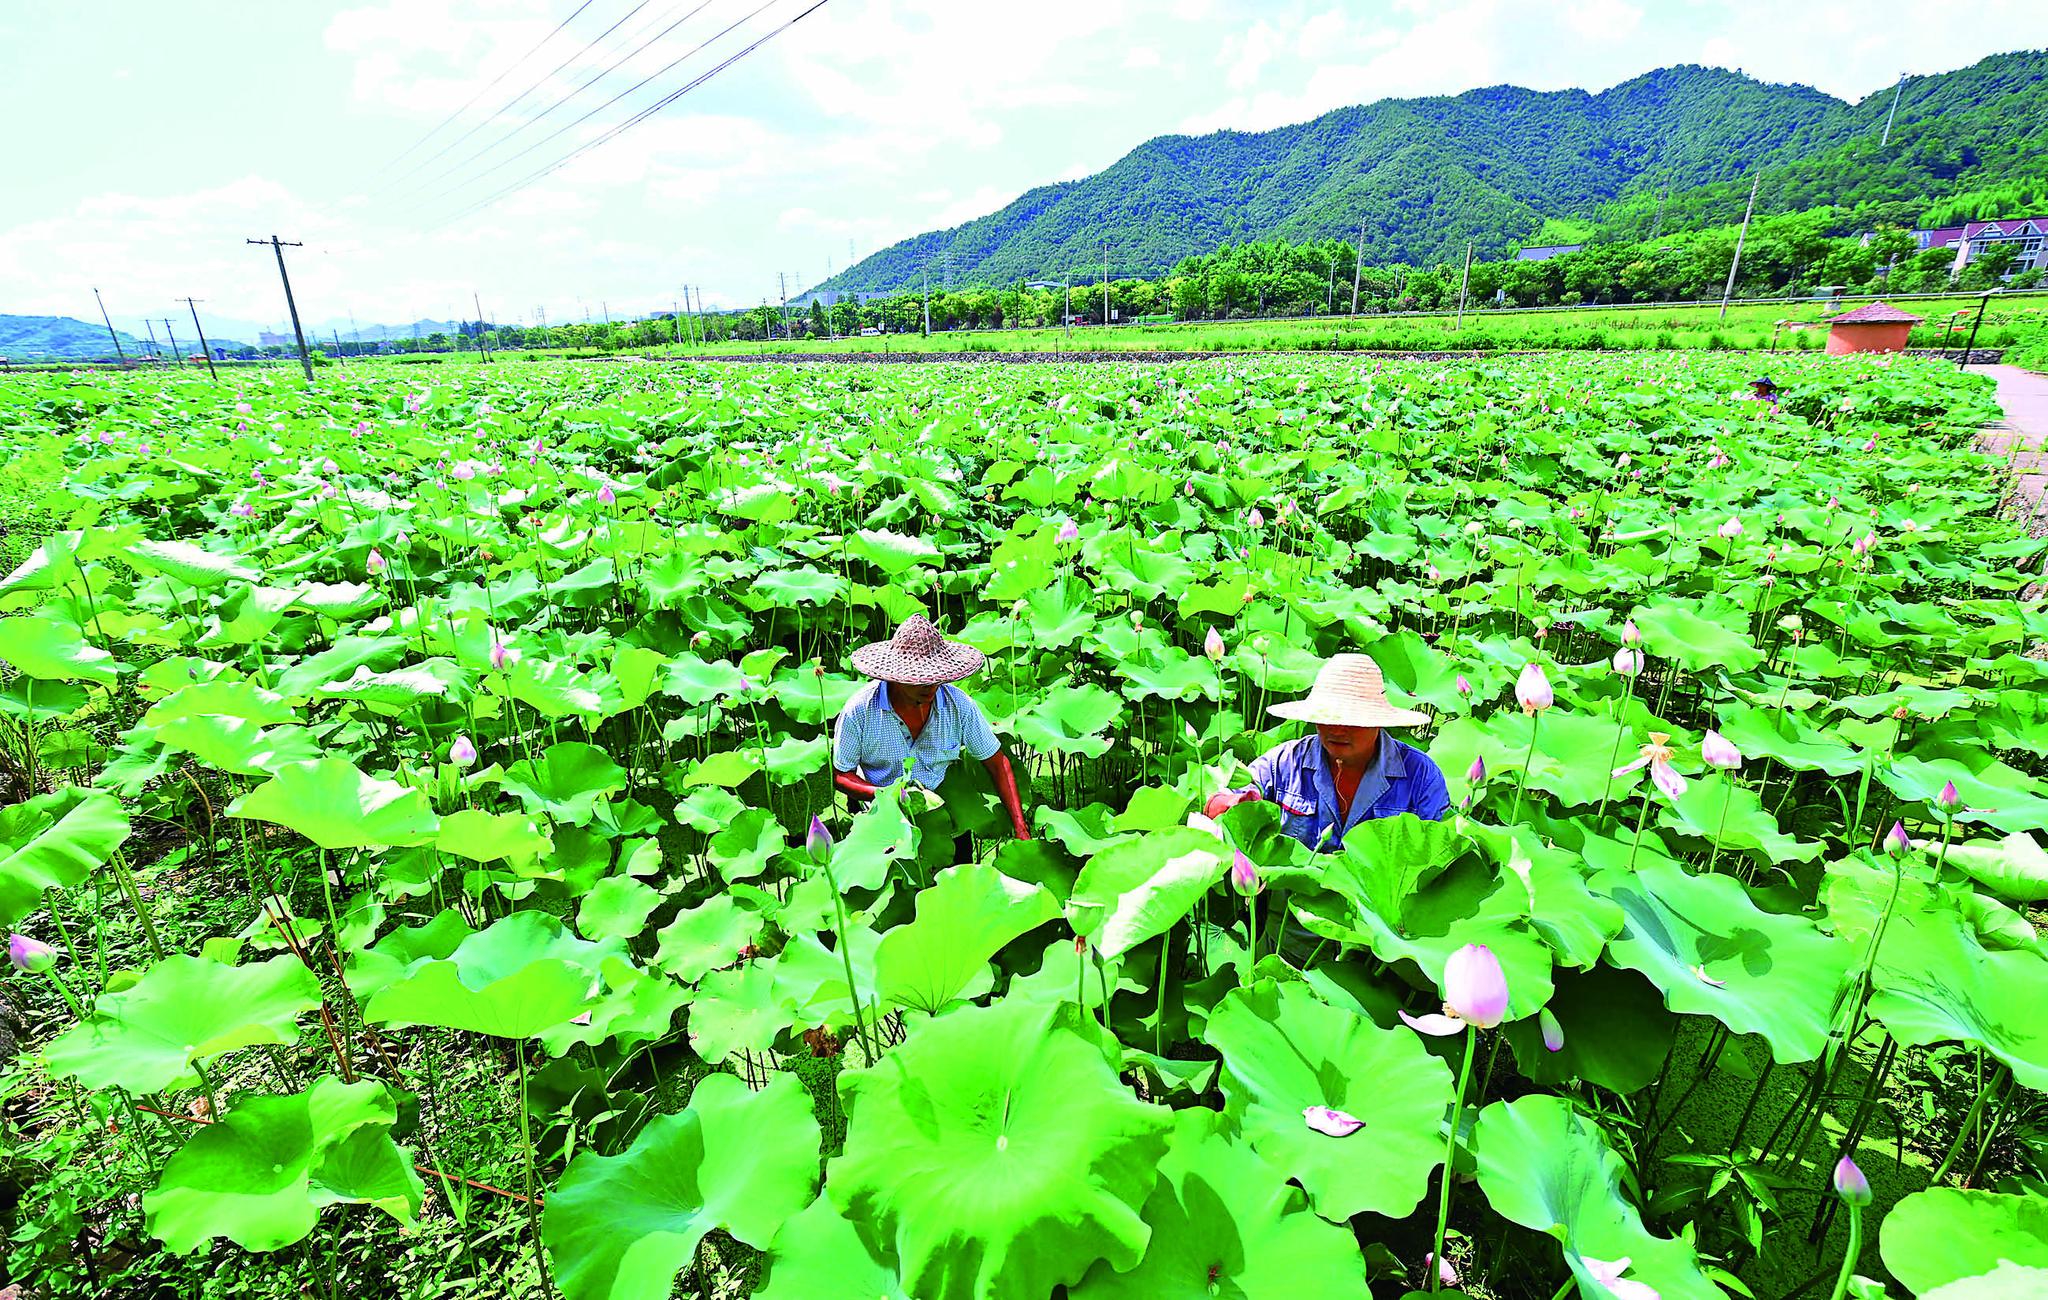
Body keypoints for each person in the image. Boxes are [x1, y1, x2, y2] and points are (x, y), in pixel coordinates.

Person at [1203, 653, 1450, 852]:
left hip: (1379, 910)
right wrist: (1233, 803)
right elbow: (1216, 803)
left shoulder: (1421, 776)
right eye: (1327, 716)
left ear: (1378, 720)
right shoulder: (1284, 763)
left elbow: (1440, 851)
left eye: (1351, 718)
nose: (1338, 729)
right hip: (1293, 907)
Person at [832, 614, 1032, 841]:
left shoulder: (959, 705)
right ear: (895, 676)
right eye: (920, 679)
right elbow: (841, 775)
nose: (930, 686)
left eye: (935, 677)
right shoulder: (860, 710)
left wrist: (1020, 827)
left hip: (945, 812)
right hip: (882, 815)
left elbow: (997, 763)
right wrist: (889, 795)